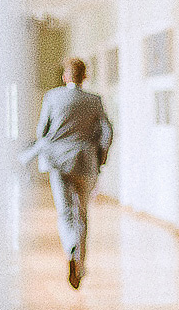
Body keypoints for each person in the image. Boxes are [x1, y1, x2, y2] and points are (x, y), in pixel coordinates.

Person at [22, 57, 112, 288]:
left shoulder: (52, 97)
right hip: (85, 161)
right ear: (85, 77)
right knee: (81, 212)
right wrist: (100, 158)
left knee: (64, 211)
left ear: (65, 77)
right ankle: (80, 261)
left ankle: (70, 249)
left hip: (57, 162)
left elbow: (43, 131)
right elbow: (107, 132)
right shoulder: (94, 100)